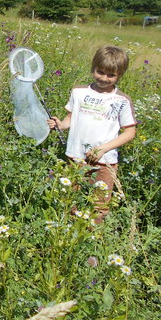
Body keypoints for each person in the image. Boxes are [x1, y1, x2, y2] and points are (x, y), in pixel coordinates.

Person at [48, 46, 136, 224]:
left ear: (120, 75)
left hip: (105, 161)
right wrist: (59, 125)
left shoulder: (122, 100)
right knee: (70, 198)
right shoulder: (78, 92)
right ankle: (69, 230)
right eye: (100, 72)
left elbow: (130, 132)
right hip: (76, 156)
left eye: (111, 75)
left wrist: (103, 149)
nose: (104, 78)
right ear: (93, 68)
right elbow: (70, 119)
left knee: (99, 203)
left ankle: (92, 237)